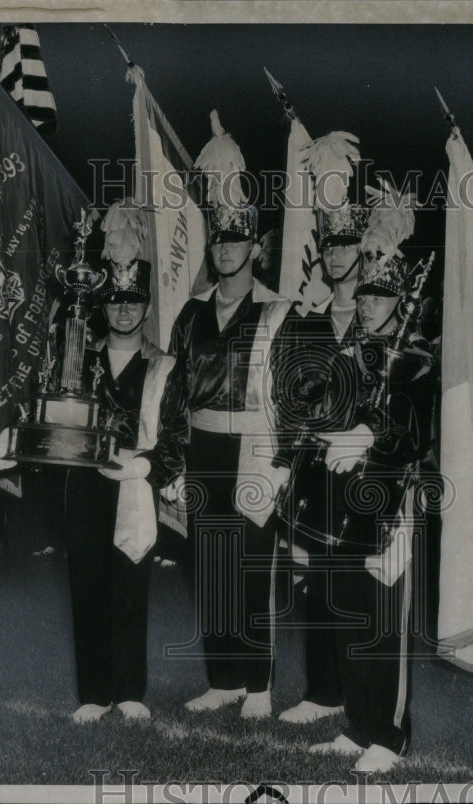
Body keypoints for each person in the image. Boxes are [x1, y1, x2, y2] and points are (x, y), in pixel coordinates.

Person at [0, 217, 188, 724]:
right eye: (116, 301)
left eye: (133, 301)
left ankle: (131, 691)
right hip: (83, 485)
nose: (124, 309)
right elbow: (50, 413)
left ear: (146, 307)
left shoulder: (166, 367)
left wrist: (145, 464)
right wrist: (15, 439)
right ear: (103, 305)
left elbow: (179, 434)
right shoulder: (77, 362)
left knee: (131, 586)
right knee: (88, 584)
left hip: (136, 485)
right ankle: (94, 694)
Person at [306, 192, 437, 773]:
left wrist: (368, 436)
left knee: (386, 619)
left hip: (390, 503)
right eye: (364, 294)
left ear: (399, 300)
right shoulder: (350, 353)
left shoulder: (416, 360)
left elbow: (409, 433)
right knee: (348, 611)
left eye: (380, 295)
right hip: (340, 503)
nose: (368, 304)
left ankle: (392, 734)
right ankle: (358, 725)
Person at [170, 111, 292, 720]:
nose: (227, 250)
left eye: (237, 241)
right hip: (201, 454)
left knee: (253, 570)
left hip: (254, 454)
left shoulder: (276, 313)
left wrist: (285, 464)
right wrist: (171, 458)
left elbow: (295, 398)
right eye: (219, 241)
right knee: (209, 567)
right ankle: (222, 678)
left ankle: (260, 685)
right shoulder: (190, 315)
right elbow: (173, 393)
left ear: (255, 248)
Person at [273, 130, 371, 724]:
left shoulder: (384, 320)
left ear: (365, 247)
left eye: (347, 244)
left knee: (359, 585)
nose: (336, 256)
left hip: (364, 472)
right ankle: (321, 693)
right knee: (314, 580)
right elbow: (289, 401)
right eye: (329, 246)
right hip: (313, 470)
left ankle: (362, 697)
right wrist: (284, 461)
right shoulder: (307, 324)